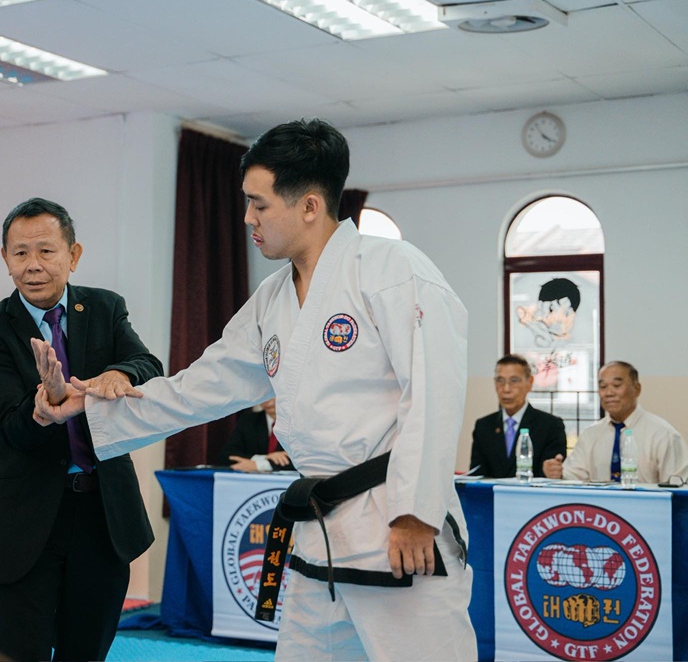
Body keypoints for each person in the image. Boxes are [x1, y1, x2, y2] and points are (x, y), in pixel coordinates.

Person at [34, 120, 478, 661]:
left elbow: (432, 396)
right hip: (320, 532)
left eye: (259, 204)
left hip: (395, 526)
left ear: (310, 206)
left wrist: (416, 512)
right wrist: (88, 408)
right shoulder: (273, 297)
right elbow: (202, 386)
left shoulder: (393, 270)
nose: (248, 218)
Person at [0, 198, 161, 662]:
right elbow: (8, 424)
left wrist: (119, 373)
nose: (32, 265)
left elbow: (147, 364)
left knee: (85, 652)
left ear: (73, 255)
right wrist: (43, 410)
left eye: (46, 251)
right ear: (6, 259)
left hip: (102, 514)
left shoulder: (105, 308)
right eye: (20, 253)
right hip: (25, 520)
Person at [543, 361, 688, 483]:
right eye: (603, 387)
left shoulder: (663, 435)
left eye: (617, 385)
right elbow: (573, 476)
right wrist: (557, 474)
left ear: (637, 389)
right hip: (599, 509)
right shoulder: (590, 434)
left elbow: (677, 488)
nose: (609, 393)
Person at [469, 354, 567, 478]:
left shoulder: (550, 426)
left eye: (514, 381)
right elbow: (476, 475)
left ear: (530, 383)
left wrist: (551, 472)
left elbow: (551, 474)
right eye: (500, 381)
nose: (506, 389)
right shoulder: (484, 426)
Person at [220, 397, 295, 472]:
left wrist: (259, 465)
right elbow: (227, 456)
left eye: (273, 395)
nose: (268, 401)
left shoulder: (297, 422)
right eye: (265, 396)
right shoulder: (248, 420)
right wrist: (264, 458)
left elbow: (299, 460)